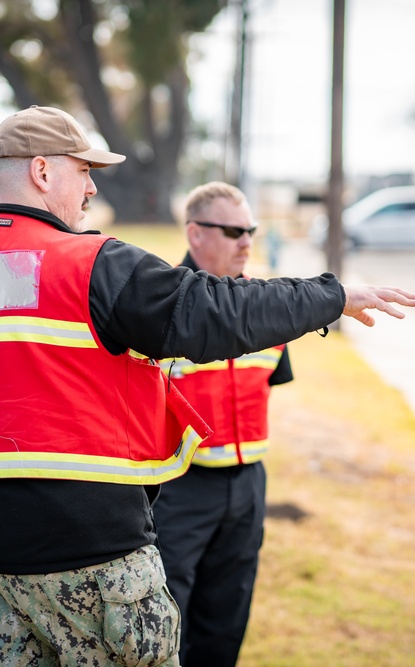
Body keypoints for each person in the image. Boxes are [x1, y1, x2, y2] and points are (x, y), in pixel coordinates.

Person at [0, 105, 415, 666]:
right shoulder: (92, 265)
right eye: (83, 170)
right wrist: (331, 297)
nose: (90, 188)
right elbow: (217, 312)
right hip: (92, 552)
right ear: (42, 172)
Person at [152, 181, 289, 666]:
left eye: (250, 229)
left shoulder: (264, 308)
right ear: (195, 234)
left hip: (248, 484)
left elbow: (267, 385)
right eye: (233, 230)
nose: (247, 241)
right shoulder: (159, 308)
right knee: (166, 623)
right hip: (179, 491)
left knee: (227, 617)